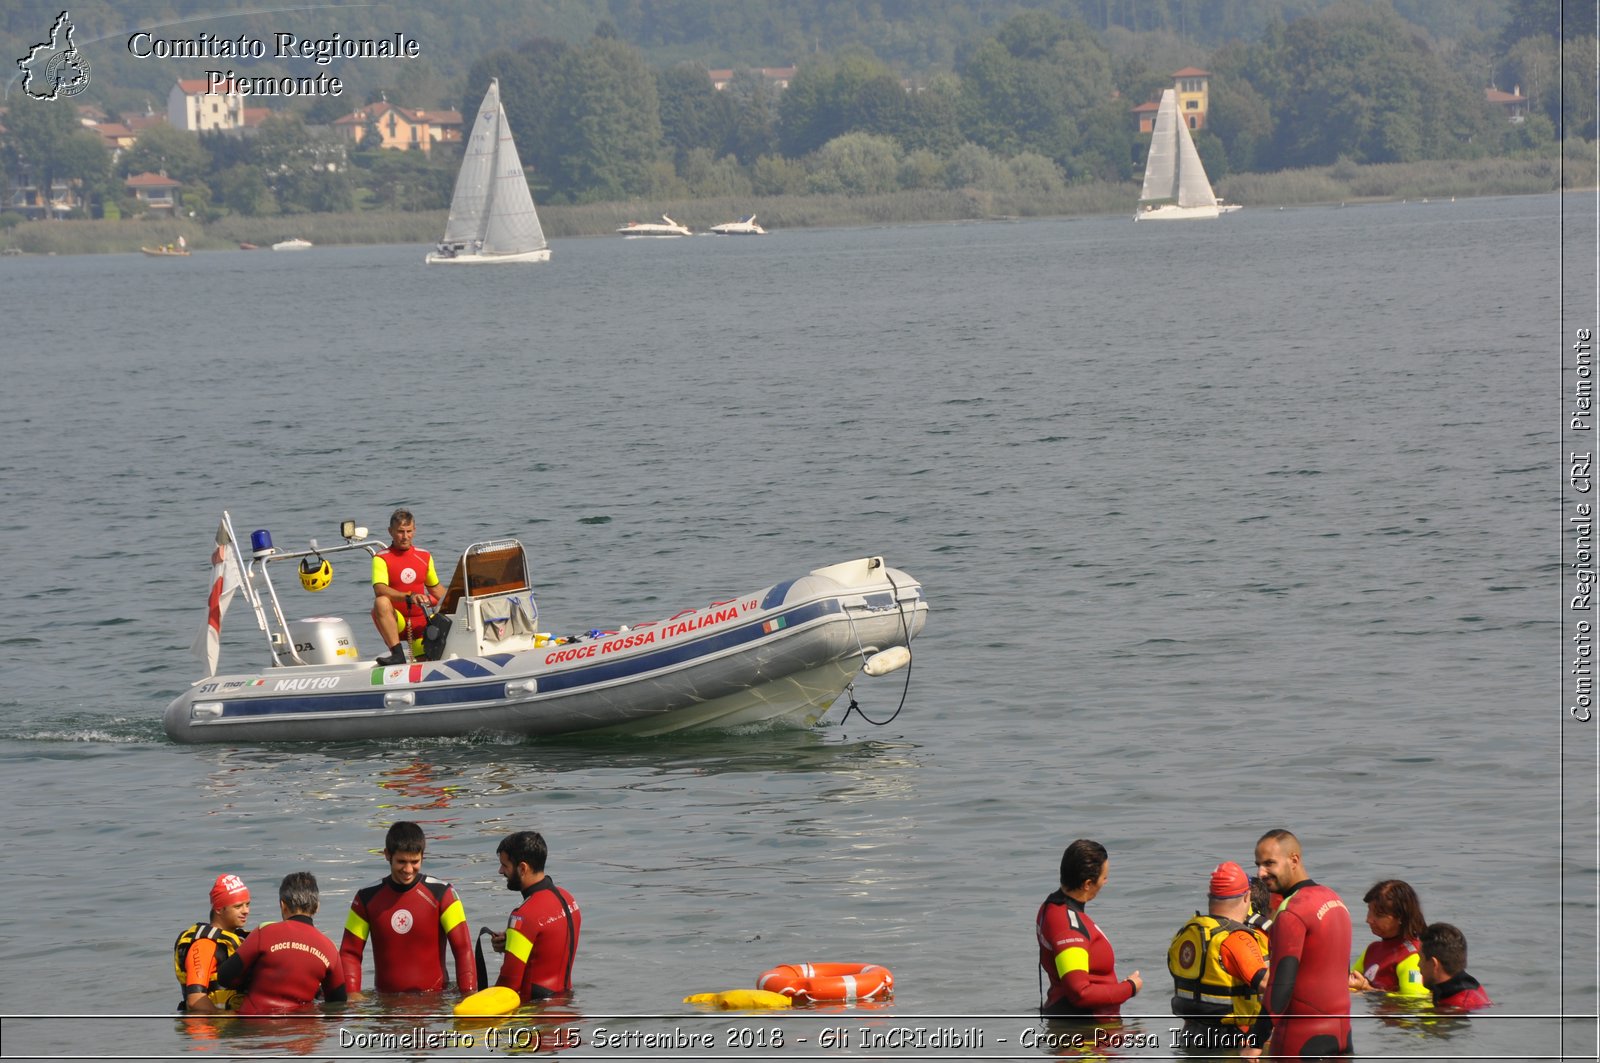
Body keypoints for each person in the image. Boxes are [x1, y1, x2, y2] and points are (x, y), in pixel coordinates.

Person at [339, 821, 478, 996]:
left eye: (415, 862)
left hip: (434, 1002)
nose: (408, 869)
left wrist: (468, 994)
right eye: (401, 861)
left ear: (422, 856)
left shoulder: (443, 894)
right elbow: (350, 953)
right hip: (386, 1004)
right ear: (387, 855)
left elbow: (463, 948)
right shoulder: (366, 898)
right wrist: (351, 996)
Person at [1254, 829, 1353, 1060]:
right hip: (1342, 1038)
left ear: (1294, 860)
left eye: (1269, 863)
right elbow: (1342, 973)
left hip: (1300, 1042)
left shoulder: (1292, 910)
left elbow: (1281, 986)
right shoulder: (1334, 900)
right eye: (1258, 864)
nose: (1261, 872)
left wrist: (1255, 1039)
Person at [1035, 838, 1142, 1019]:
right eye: (1104, 878)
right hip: (1084, 1034)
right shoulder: (1069, 928)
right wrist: (1129, 987)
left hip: (1074, 1022)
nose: (1105, 882)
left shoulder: (1051, 906)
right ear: (1087, 884)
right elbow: (1080, 994)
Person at [1168, 861, 1269, 1052]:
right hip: (1229, 1040)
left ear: (1210, 897)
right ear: (1247, 896)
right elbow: (1271, 985)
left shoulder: (1187, 934)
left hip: (1190, 1036)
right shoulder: (1235, 939)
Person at [217, 871, 347, 1015]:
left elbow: (225, 977)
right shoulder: (330, 949)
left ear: (283, 905)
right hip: (304, 1032)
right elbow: (338, 1003)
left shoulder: (264, 932)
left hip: (255, 1026)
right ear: (317, 907)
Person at [491, 830, 581, 1001]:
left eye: (505, 865)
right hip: (566, 1005)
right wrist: (511, 942)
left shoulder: (524, 916)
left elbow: (508, 986)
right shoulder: (567, 898)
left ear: (522, 868)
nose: (500, 871)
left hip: (535, 1015)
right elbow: (548, 945)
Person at [371, 508, 442, 666]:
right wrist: (409, 597)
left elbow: (437, 591)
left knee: (426, 661)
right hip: (399, 622)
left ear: (414, 530)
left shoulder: (424, 556)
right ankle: (397, 655)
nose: (405, 536)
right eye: (400, 531)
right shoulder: (381, 558)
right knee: (381, 602)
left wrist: (465, 592)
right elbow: (380, 589)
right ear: (390, 532)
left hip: (423, 622)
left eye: (409, 531)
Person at [173, 873, 252, 1012]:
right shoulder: (204, 945)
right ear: (219, 909)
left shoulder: (238, 939)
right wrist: (225, 1020)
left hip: (232, 1027)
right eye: (238, 906)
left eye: (247, 904)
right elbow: (195, 1000)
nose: (246, 911)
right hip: (212, 1028)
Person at [1349, 879, 1428, 996]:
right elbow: (1349, 981)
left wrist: (1367, 989)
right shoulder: (1372, 950)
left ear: (1400, 917)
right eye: (1369, 911)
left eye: (1378, 915)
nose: (1368, 920)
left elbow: (1414, 1000)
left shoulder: (1412, 956)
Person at [1418, 922, 1491, 1010]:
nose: (1418, 965)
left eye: (1420, 959)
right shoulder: (1463, 985)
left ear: (1434, 964)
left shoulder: (1460, 1007)